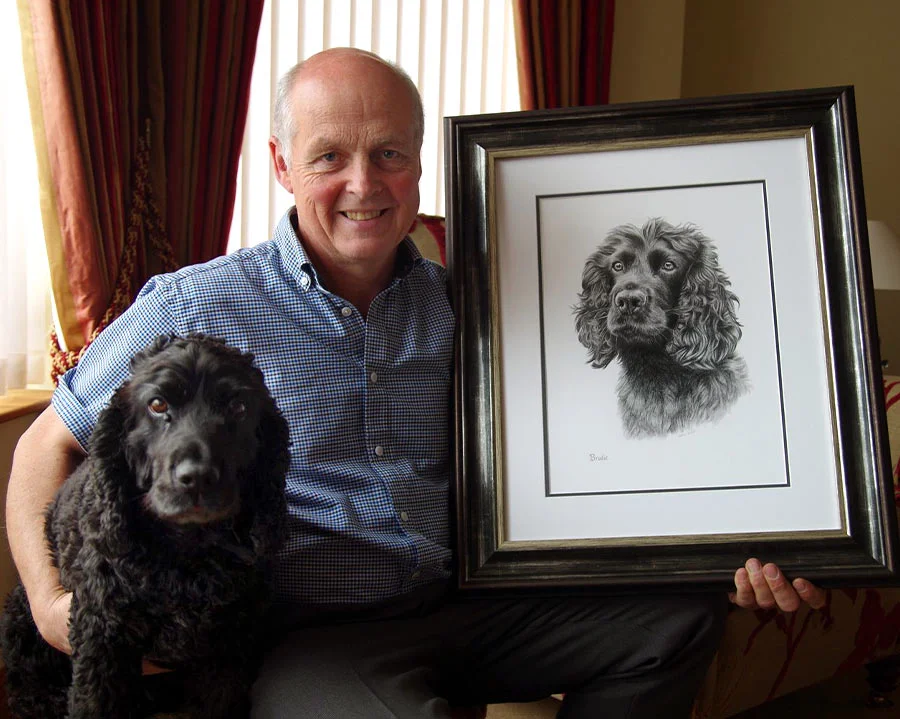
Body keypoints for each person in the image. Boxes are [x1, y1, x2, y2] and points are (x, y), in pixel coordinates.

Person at [6, 48, 825, 718]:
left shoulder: (467, 302)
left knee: (678, 620)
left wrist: (738, 536)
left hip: (471, 602)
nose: (364, 184)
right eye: (330, 157)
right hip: (311, 634)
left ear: (421, 165)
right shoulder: (194, 304)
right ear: (283, 166)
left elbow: (598, 455)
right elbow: (47, 443)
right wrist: (50, 603)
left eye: (390, 154)